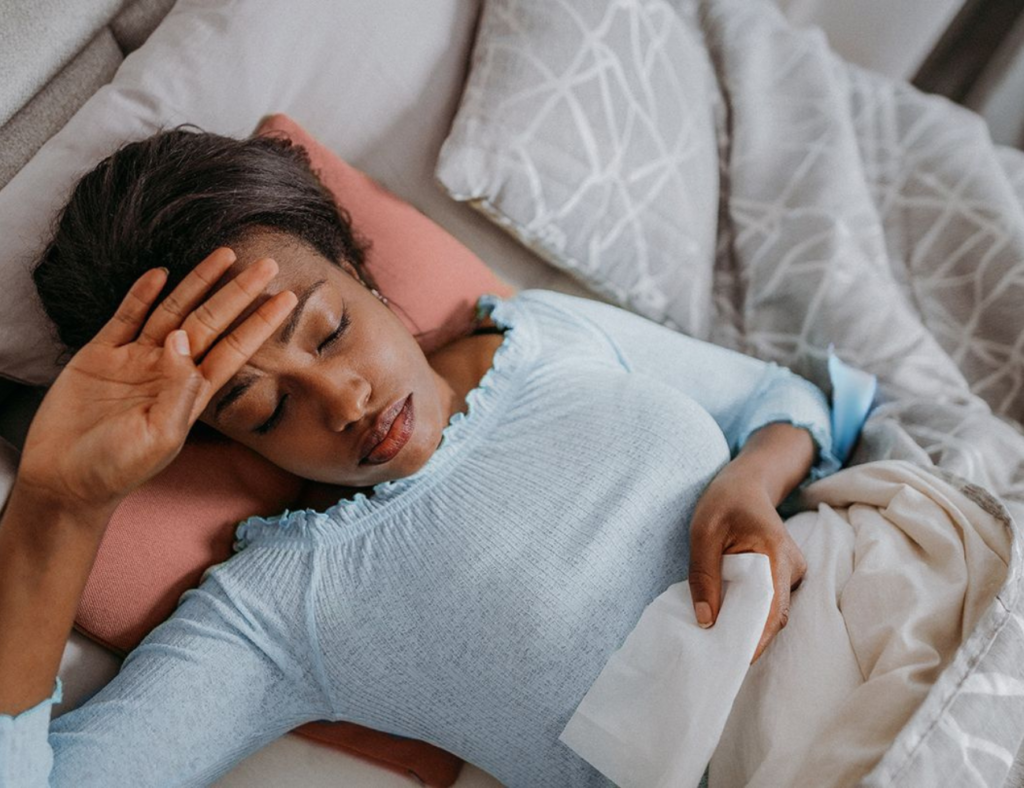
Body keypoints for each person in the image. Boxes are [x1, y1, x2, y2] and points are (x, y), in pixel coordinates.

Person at [0, 129, 853, 786]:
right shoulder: (284, 612)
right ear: (221, 440)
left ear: (357, 268)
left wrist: (745, 485)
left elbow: (787, 401)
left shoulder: (548, 334)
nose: (341, 401)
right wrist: (55, 507)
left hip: (883, 587)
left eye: (331, 329)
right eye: (264, 409)